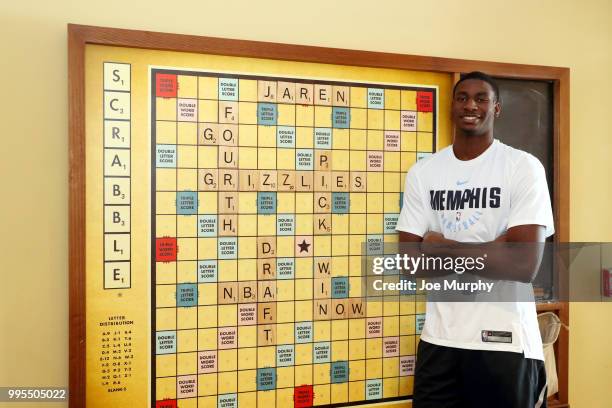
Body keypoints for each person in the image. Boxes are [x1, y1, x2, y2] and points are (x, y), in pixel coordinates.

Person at [395, 71, 553, 408]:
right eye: (463, 97)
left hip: (506, 344)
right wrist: (495, 249)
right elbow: (409, 264)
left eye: (481, 98)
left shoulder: (522, 167)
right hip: (440, 341)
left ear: (496, 109)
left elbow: (523, 265)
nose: (471, 105)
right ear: (452, 106)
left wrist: (441, 246)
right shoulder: (424, 172)